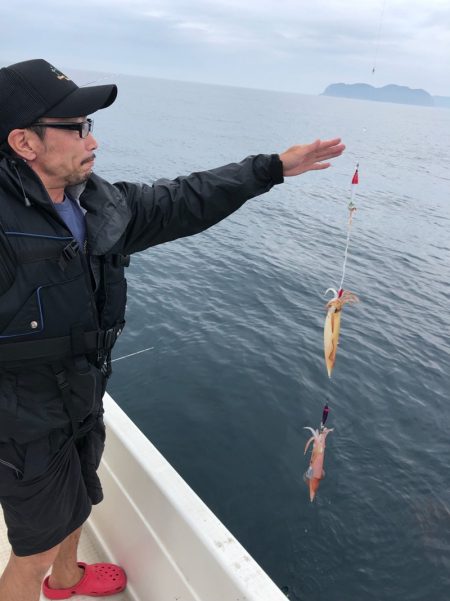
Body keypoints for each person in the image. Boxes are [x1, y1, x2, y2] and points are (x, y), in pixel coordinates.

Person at [0, 58, 345, 601]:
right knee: (32, 550)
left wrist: (272, 167)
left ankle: (66, 580)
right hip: (21, 419)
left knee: (81, 497)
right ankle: (45, 574)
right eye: (77, 127)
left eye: (91, 125)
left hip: (82, 393)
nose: (93, 139)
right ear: (24, 142)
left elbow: (183, 199)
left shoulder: (96, 202)